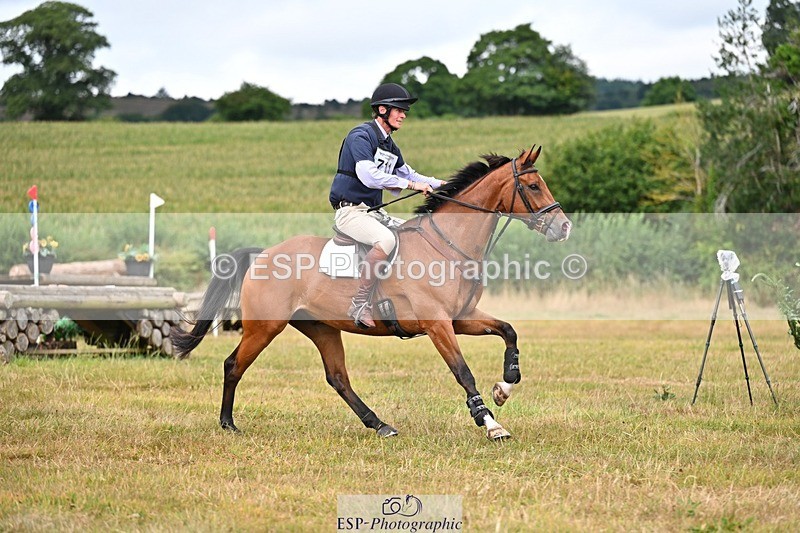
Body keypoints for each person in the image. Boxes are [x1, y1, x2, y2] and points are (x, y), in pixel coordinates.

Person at [329, 82, 445, 328]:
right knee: (387, 241)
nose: (403, 115)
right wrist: (412, 187)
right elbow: (368, 175)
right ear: (382, 110)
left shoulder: (390, 145)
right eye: (399, 109)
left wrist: (444, 184)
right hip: (350, 211)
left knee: (416, 234)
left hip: (373, 213)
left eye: (405, 111)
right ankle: (359, 303)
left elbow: (411, 174)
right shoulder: (360, 136)